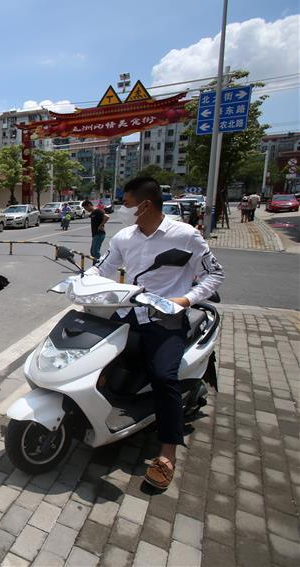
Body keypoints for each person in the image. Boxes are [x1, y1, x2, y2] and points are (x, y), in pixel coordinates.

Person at [86, 176, 224, 490]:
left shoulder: (185, 236)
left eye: (126, 202)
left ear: (145, 204)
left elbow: (215, 274)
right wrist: (82, 281)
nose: (121, 208)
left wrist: (186, 299)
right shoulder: (124, 237)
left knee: (164, 377)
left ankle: (167, 452)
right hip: (130, 313)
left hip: (166, 320)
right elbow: (104, 267)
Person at [83, 200, 108, 264]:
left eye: (86, 208)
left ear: (89, 205)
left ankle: (101, 265)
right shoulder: (93, 212)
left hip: (99, 234)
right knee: (92, 251)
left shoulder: (98, 211)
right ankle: (95, 264)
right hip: (95, 234)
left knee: (95, 251)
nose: (86, 209)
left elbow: (107, 216)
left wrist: (101, 225)